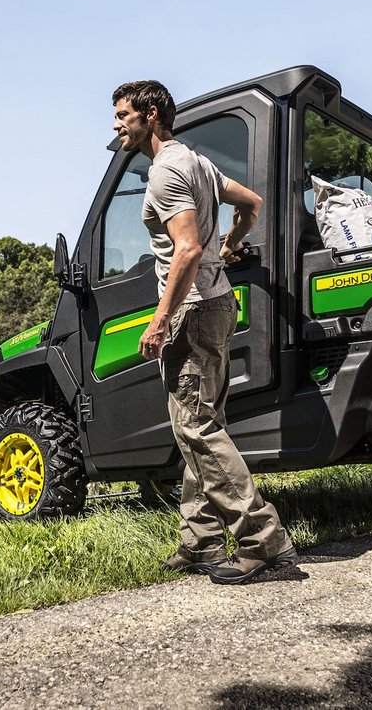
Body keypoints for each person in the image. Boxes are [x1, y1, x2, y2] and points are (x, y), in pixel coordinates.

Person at [111, 79, 297, 585]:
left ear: (151, 114)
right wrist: (232, 245)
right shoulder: (197, 162)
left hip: (192, 311)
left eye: (124, 114)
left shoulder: (166, 170)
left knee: (195, 426)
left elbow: (188, 249)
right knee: (201, 421)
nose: (117, 124)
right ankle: (202, 539)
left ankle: (263, 540)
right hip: (218, 304)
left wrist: (159, 319)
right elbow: (251, 203)